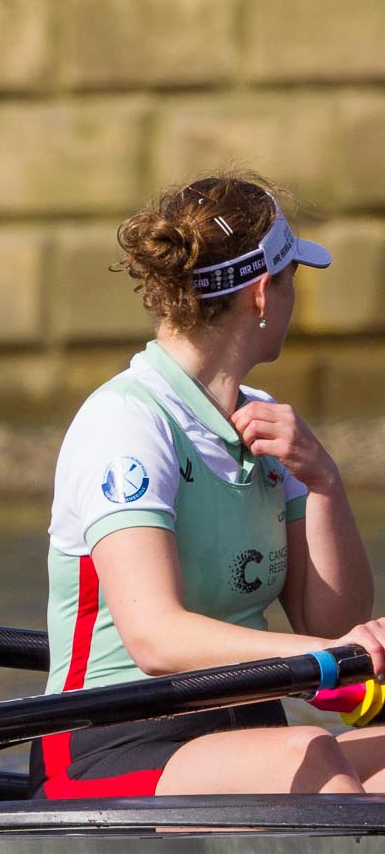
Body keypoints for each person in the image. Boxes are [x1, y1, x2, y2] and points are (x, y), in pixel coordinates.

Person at [36, 172, 385, 797]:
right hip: (113, 740)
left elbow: (335, 620)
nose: (292, 300)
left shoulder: (270, 425)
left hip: (243, 729)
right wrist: (321, 660)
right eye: (290, 281)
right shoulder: (126, 424)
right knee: (311, 754)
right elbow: (156, 638)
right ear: (259, 294)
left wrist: (324, 480)